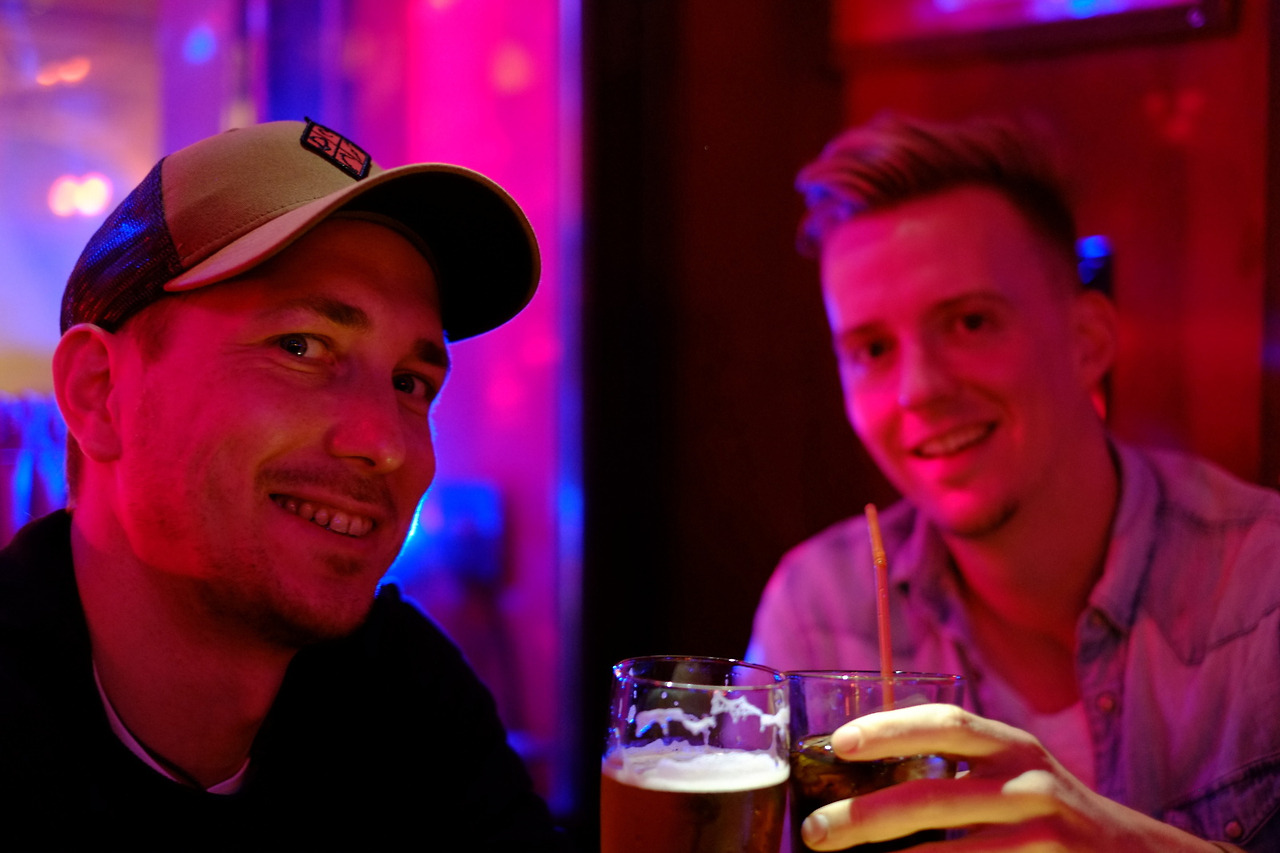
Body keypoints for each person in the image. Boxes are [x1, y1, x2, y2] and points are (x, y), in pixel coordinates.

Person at [0, 119, 564, 850]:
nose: (385, 444)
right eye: (301, 347)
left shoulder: (403, 697)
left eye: (409, 382)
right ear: (99, 392)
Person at [747, 113, 1280, 852]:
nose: (917, 390)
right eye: (872, 349)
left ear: (1088, 340)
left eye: (970, 322)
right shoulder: (817, 611)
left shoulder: (1263, 590)